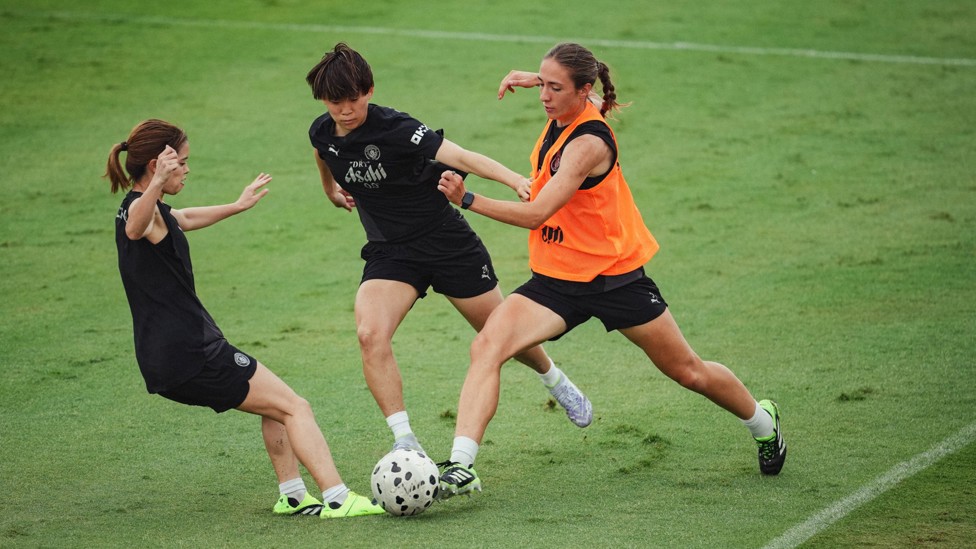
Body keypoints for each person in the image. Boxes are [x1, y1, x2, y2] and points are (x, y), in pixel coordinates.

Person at [435, 43, 786, 497]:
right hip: (556, 280)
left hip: (616, 279)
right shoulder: (566, 109)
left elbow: (537, 212)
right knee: (487, 346)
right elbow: (584, 97)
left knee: (687, 371)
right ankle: (462, 466)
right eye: (543, 84)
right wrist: (534, 79)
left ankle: (763, 421)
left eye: (555, 87)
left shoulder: (587, 144)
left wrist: (468, 199)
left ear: (583, 91)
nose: (544, 96)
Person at [304, 43, 593, 455]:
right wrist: (331, 189)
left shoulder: (397, 128)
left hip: (446, 244)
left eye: (353, 100)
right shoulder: (321, 130)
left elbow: (460, 155)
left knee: (501, 335)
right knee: (370, 334)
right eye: (336, 103)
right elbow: (323, 152)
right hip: (391, 252)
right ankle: (405, 442)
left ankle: (554, 379)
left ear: (369, 90)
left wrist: (515, 181)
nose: (346, 110)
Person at [107, 119, 383, 519]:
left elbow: (183, 218)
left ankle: (292, 495)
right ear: (157, 164)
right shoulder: (138, 211)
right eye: (180, 163)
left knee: (276, 406)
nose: (186, 169)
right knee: (295, 407)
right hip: (191, 352)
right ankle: (338, 497)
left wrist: (237, 206)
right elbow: (137, 226)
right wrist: (155, 183)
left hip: (167, 354)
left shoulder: (152, 212)